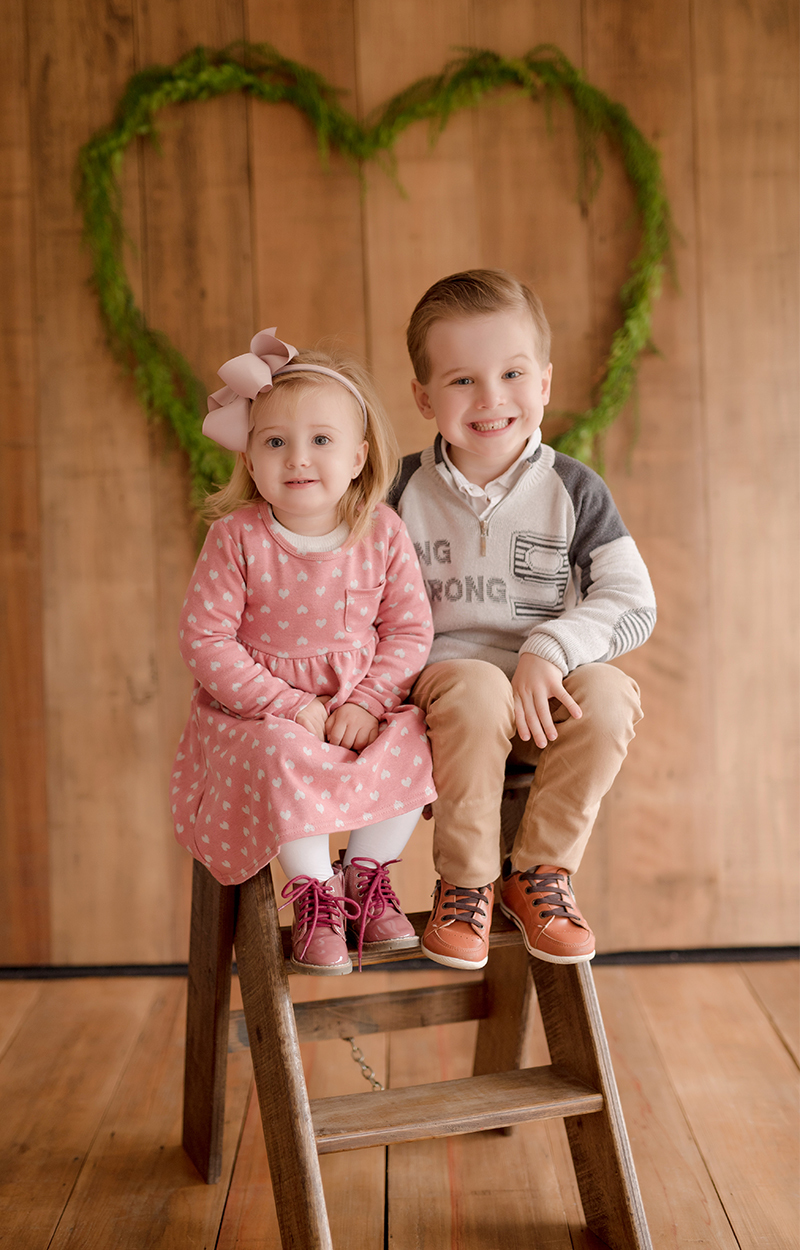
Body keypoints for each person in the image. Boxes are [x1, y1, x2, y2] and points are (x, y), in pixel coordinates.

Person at [389, 269, 655, 969]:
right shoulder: (397, 494)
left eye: (511, 373)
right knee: (476, 686)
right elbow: (357, 604)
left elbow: (631, 599)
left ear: (543, 383)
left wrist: (550, 646)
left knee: (610, 695)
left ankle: (539, 875)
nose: (491, 399)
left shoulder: (573, 490)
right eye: (462, 381)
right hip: (447, 703)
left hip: (543, 704)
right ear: (423, 396)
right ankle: (466, 883)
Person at [171, 329, 435, 975]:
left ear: (357, 456)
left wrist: (372, 701)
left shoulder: (382, 531)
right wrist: (286, 704)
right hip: (256, 715)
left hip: (358, 708)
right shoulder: (238, 538)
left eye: (321, 440)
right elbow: (205, 639)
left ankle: (368, 881)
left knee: (419, 734)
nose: (298, 458)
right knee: (280, 750)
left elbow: (408, 630)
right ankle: (316, 896)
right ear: (252, 461)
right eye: (275, 442)